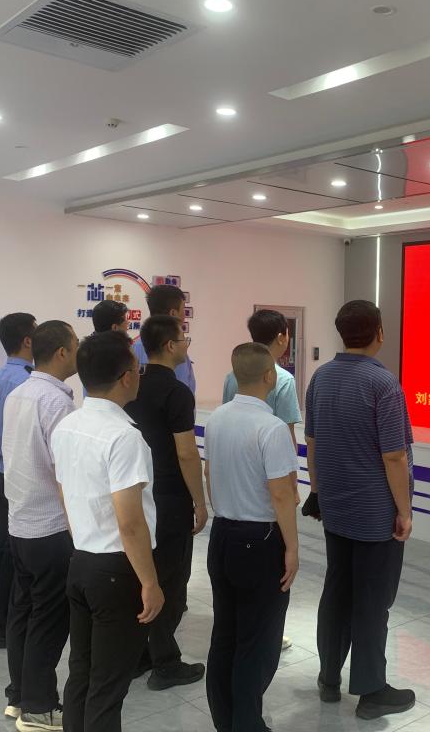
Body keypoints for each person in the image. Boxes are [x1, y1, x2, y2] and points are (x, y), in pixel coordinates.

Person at [306, 300, 415, 720]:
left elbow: (313, 443)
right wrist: (404, 510)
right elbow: (394, 456)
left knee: (337, 591)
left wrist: (318, 492)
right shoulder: (383, 383)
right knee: (372, 602)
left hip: (336, 508)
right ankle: (371, 691)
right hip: (375, 514)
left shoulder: (321, 377)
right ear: (379, 333)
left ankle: (329, 678)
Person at [52, 331, 163, 732]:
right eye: (138, 370)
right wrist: (149, 582)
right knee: (108, 685)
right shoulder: (124, 437)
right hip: (117, 570)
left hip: (81, 561)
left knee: (82, 672)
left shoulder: (67, 426)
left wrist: (82, 537)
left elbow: (64, 493)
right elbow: (129, 522)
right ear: (126, 377)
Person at [204, 342, 300, 732]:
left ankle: (226, 721)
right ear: (269, 376)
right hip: (260, 541)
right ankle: (247, 724)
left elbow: (210, 473)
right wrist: (292, 547)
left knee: (225, 634)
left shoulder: (217, 419)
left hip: (223, 534)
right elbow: (282, 494)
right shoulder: (271, 428)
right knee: (256, 641)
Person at [2, 321, 78, 732]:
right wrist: (77, 529)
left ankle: (19, 696)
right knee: (49, 619)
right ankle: (39, 708)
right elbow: (64, 472)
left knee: (24, 612)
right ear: (62, 352)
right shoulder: (55, 402)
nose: (78, 351)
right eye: (75, 344)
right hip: (49, 526)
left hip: (20, 521)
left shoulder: (19, 393)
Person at [125, 315, 207, 690]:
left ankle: (139, 654)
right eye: (184, 339)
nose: (187, 345)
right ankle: (165, 662)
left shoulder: (132, 385)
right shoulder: (177, 393)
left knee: (146, 574)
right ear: (171, 346)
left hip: (137, 491)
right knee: (172, 581)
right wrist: (200, 501)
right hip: (171, 497)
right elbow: (186, 453)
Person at [221, 309, 301, 653]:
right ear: (282, 337)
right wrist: (293, 484)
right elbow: (286, 432)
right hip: (270, 477)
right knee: (271, 571)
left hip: (235, 478)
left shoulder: (234, 375)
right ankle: (268, 632)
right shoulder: (282, 378)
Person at [0, 312, 37, 648]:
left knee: (3, 544)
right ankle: (6, 621)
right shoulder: (25, 383)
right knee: (14, 549)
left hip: (0, 470)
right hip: (17, 474)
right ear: (28, 341)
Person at [131, 285, 194, 394]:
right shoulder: (176, 351)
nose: (185, 315)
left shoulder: (133, 349)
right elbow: (184, 392)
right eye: (183, 309)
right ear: (173, 313)